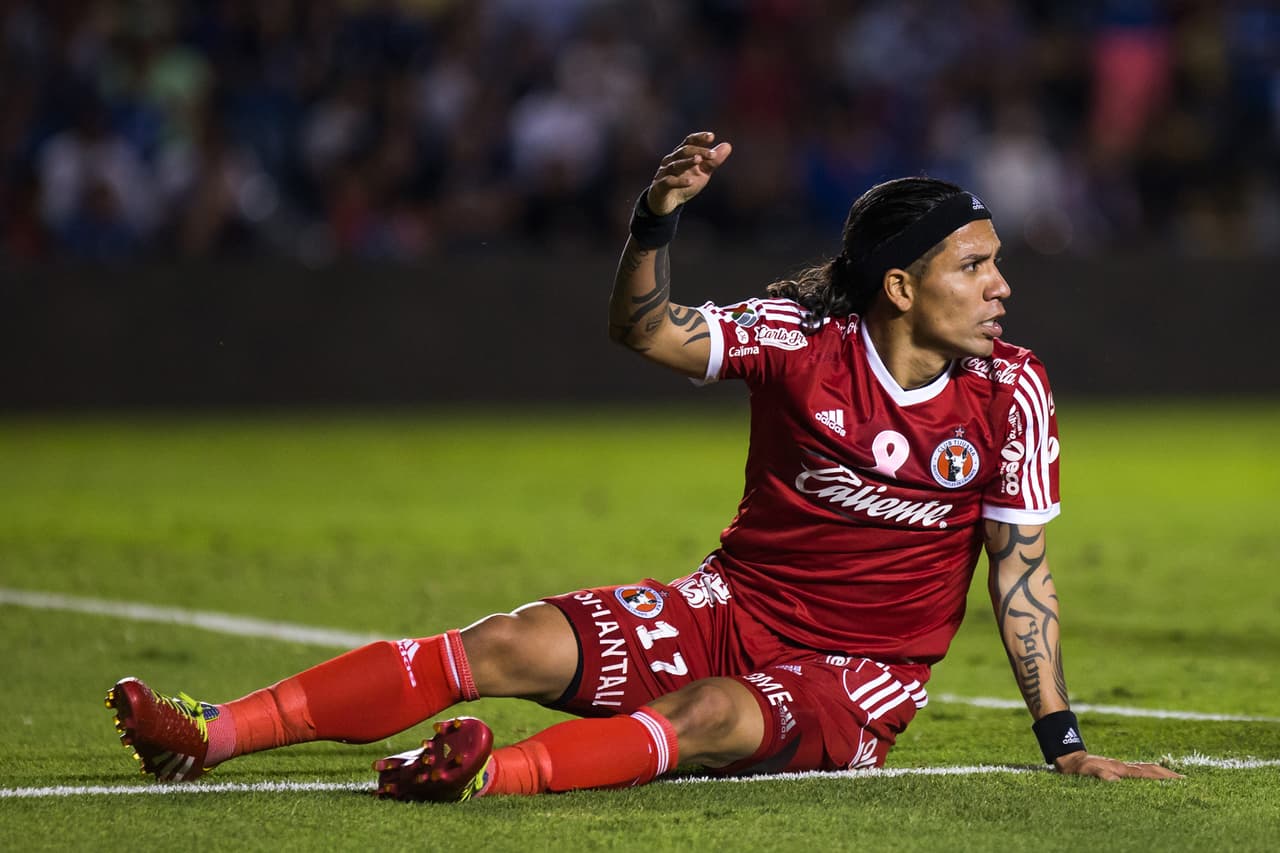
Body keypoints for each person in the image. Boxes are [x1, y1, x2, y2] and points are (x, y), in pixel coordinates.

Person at [106, 131, 1181, 798]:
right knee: (506, 640)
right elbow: (646, 330)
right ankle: (207, 734)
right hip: (731, 605)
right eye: (975, 264)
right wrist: (653, 220)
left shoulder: (1010, 390)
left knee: (708, 714)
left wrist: (1062, 738)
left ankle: (477, 777)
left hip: (857, 677)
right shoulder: (798, 342)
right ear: (899, 287)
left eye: (997, 264)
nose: (1001, 285)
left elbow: (1019, 571)